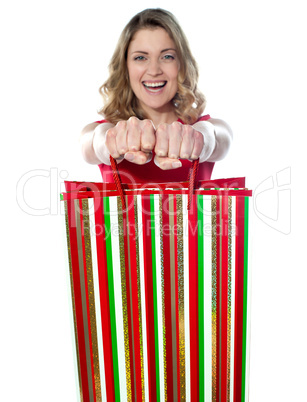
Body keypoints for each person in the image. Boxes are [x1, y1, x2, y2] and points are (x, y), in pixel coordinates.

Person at [80, 8, 233, 184]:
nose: (154, 71)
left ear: (181, 64)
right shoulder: (107, 129)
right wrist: (107, 141)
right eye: (140, 58)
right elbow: (91, 143)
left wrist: (201, 139)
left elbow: (218, 137)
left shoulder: (202, 126)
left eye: (167, 56)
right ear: (125, 67)